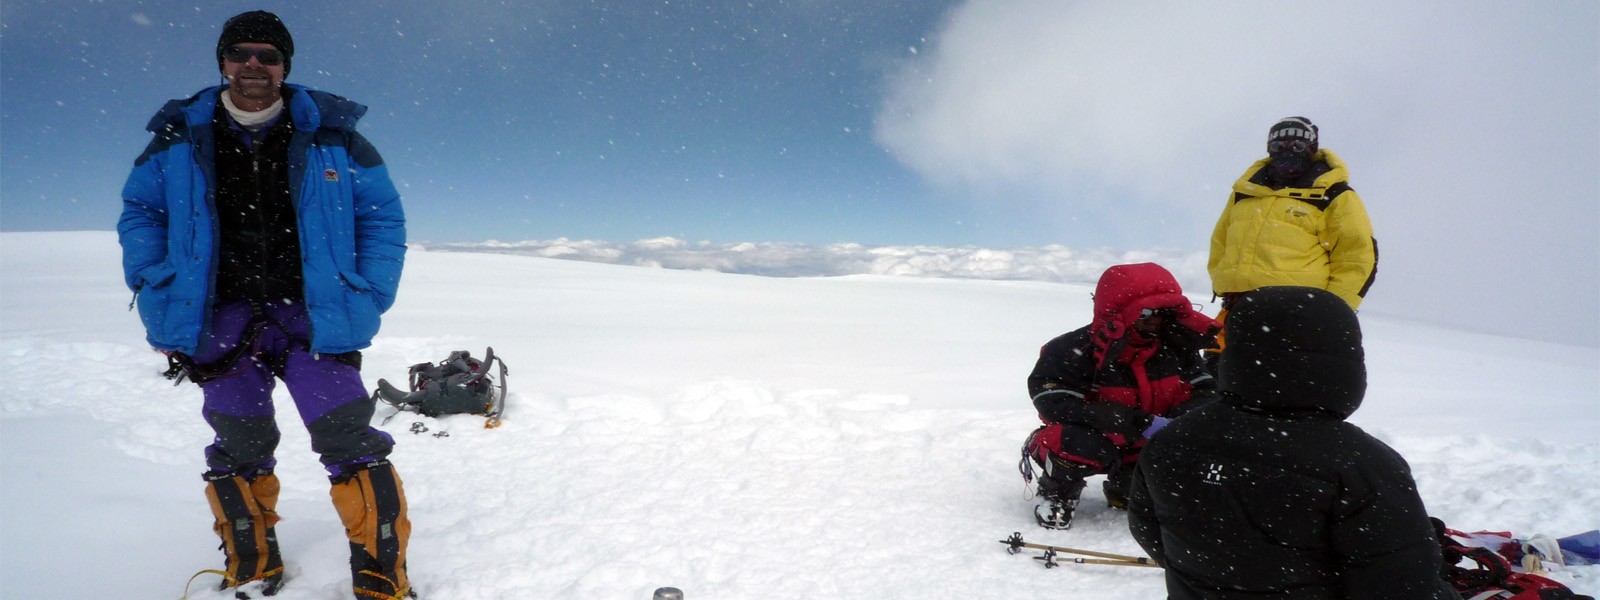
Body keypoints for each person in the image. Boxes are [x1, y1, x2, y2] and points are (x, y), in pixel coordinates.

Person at [118, 11, 412, 599]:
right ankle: (251, 570)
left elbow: (381, 217)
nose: (254, 64)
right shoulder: (177, 137)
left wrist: (370, 291)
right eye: (241, 53)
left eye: (269, 55)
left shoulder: (336, 136)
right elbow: (142, 213)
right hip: (218, 319)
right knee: (239, 449)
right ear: (223, 62)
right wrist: (155, 283)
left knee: (350, 443)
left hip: (313, 317)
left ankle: (383, 578)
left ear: (285, 66)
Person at [1127, 287, 1459, 599]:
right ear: (1346, 360)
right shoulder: (1362, 465)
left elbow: (1153, 532)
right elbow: (1403, 588)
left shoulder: (1171, 441)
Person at [1019, 263, 1219, 530]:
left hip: (1152, 443)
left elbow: (1205, 392)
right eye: (1144, 312)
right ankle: (1057, 496)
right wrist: (1124, 419)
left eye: (1161, 312)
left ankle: (1126, 489)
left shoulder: (1176, 347)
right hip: (1102, 440)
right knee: (1074, 441)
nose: (1154, 320)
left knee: (1203, 440)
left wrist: (1177, 424)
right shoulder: (1071, 350)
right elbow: (1053, 401)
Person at [1206, 117, 1377, 368]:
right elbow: (1221, 240)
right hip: (1238, 307)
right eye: (1278, 146)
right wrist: (1225, 281)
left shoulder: (1333, 194)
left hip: (1297, 313)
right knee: (1218, 379)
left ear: (1312, 148)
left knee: (1280, 388)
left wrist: (1331, 311)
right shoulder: (1245, 192)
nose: (1287, 151)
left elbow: (1357, 256)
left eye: (1296, 144)